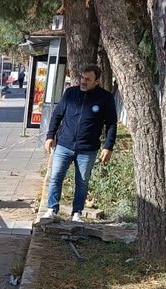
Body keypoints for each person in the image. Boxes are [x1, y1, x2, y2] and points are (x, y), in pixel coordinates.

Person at [42, 64, 117, 222]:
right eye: (82, 78)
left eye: (88, 79)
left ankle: (77, 213)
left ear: (96, 81)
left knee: (82, 182)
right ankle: (51, 209)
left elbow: (111, 124)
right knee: (56, 177)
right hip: (64, 145)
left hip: (87, 149)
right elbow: (57, 115)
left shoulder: (105, 98)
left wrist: (108, 147)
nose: (83, 81)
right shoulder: (70, 93)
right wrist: (50, 136)